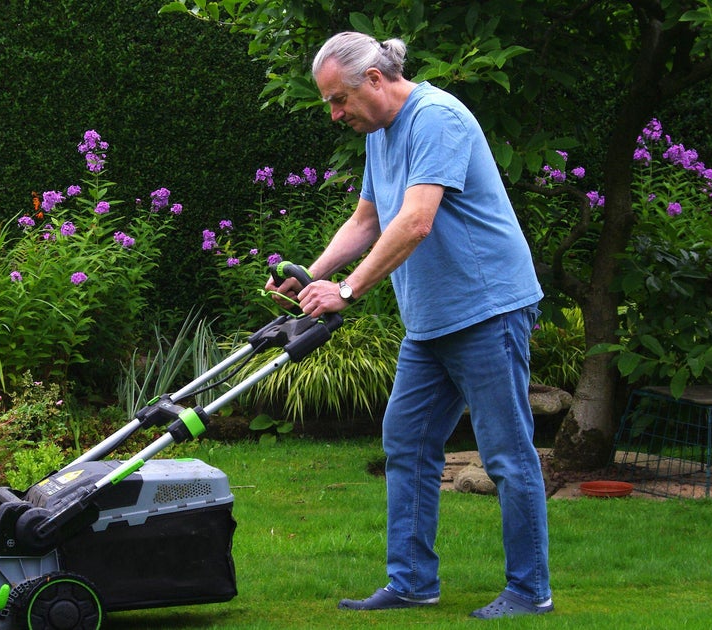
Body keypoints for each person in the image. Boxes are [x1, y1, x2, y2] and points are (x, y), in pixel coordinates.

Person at [265, 32, 553, 619]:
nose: (335, 113)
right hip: (430, 323)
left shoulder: (436, 117)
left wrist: (346, 291)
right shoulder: (381, 133)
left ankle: (530, 589)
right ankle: (413, 582)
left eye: (338, 100)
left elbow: (417, 220)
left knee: (505, 454)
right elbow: (368, 219)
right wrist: (310, 273)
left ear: (374, 79)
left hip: (486, 309)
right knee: (408, 443)